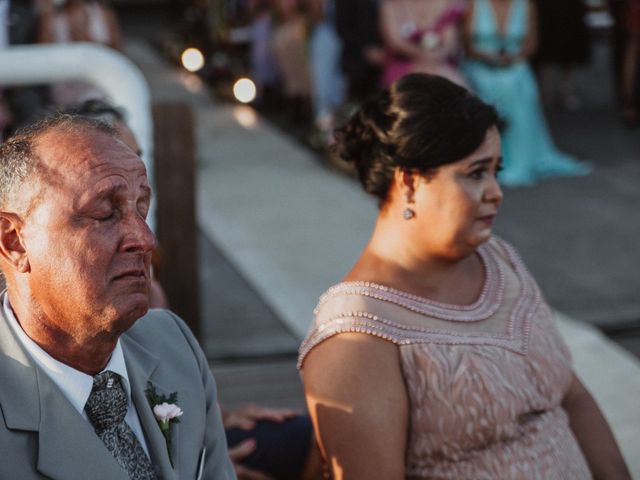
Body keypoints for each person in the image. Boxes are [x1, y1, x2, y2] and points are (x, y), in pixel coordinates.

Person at [298, 73, 631, 479]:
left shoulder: (499, 260)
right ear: (409, 182)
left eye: (496, 170)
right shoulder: (356, 335)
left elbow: (573, 396)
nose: (496, 191)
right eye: (475, 173)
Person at [0, 114, 235, 479]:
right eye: (105, 213)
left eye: (142, 207)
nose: (144, 238)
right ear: (14, 240)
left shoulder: (172, 344)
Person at [462, 0, 591, 187]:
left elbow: (532, 44)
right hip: (481, 68)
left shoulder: (525, 5)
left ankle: (517, 155)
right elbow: (467, 45)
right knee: (490, 85)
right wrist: (490, 58)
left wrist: (511, 58)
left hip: (514, 67)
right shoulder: (475, 4)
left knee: (514, 82)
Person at [380, 0, 467, 87]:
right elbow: (396, 43)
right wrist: (424, 57)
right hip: (404, 63)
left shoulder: (448, 3)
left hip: (441, 63)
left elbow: (449, 43)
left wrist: (433, 58)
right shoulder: (393, 5)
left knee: (447, 80)